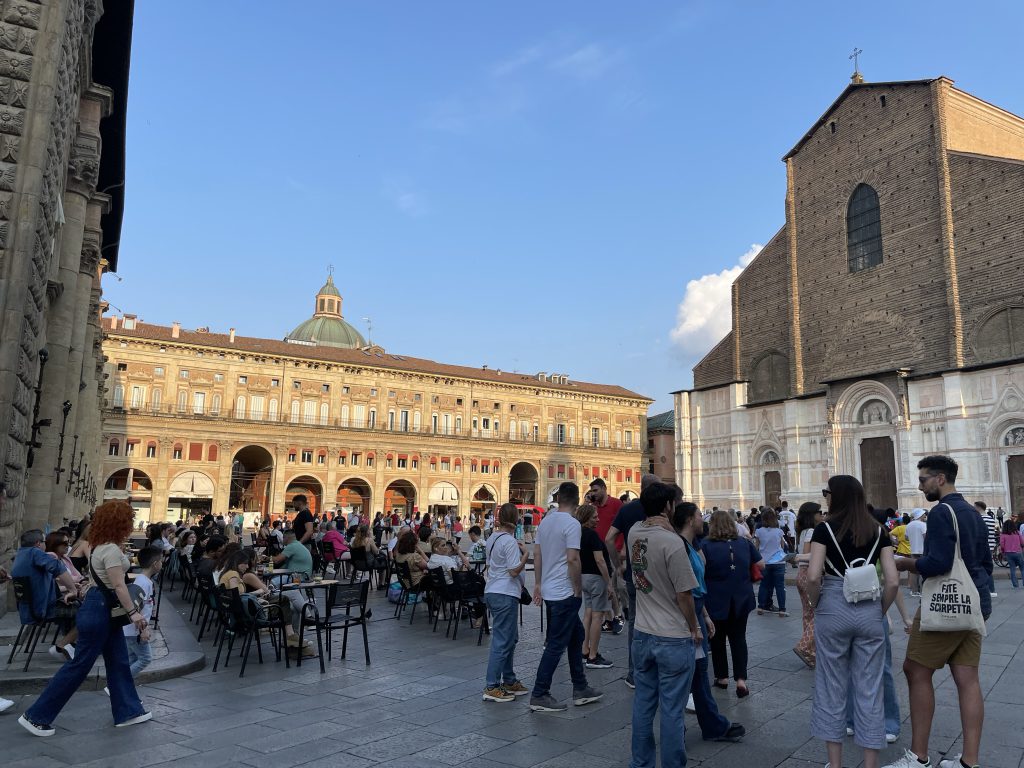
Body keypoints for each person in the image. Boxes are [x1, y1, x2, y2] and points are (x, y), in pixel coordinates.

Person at [884, 456, 993, 768]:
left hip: (946, 605)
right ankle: (969, 761)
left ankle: (918, 757)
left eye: (923, 480)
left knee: (915, 670)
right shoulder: (972, 513)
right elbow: (985, 562)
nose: (920, 487)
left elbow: (939, 564)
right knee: (967, 678)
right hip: (974, 604)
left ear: (941, 478)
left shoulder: (942, 513)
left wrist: (906, 562)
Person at [19, 501, 151, 736]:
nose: (131, 525)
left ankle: (128, 711)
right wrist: (134, 613)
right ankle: (36, 716)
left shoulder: (99, 546)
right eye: (128, 520)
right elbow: (119, 586)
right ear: (119, 523)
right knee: (79, 665)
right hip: (101, 609)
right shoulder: (109, 549)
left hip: (99, 608)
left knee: (118, 661)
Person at [805, 476, 898, 768]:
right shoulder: (879, 530)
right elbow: (893, 581)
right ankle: (870, 764)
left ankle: (836, 764)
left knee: (831, 686)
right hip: (869, 605)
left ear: (838, 496)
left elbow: (812, 575)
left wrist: (815, 602)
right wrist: (879, 611)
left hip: (833, 604)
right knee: (870, 689)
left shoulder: (824, 529)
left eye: (827, 493)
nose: (826, 498)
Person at [628, 482, 701, 768]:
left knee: (643, 706)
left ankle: (641, 763)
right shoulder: (672, 543)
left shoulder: (634, 532)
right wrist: (694, 627)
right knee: (672, 711)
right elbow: (685, 594)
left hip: (642, 634)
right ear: (669, 506)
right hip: (672, 636)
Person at [673, 501, 746, 743]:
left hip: (696, 612)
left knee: (699, 673)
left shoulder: (692, 545)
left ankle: (709, 725)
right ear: (688, 520)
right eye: (697, 516)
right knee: (689, 674)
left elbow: (696, 587)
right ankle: (680, 727)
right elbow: (685, 591)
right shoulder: (680, 548)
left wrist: (704, 615)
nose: (701, 520)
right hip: (687, 617)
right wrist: (695, 624)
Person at [529, 481, 602, 712]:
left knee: (576, 635)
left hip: (550, 590)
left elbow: (537, 555)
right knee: (555, 644)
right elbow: (573, 559)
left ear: (558, 498)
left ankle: (580, 687)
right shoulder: (572, 525)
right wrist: (577, 586)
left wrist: (538, 583)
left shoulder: (546, 521)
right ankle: (540, 693)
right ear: (577, 499)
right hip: (565, 591)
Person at [700, 510, 763, 696]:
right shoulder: (744, 543)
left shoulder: (705, 545)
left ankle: (722, 677)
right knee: (739, 638)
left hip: (716, 598)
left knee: (717, 638)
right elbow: (761, 565)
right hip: (741, 597)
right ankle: (741, 680)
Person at [606, 473, 659, 688]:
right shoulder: (658, 509)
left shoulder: (627, 509)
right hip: (657, 576)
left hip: (633, 575)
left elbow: (609, 538)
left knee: (635, 623)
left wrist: (617, 565)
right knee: (658, 622)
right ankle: (655, 670)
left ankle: (633, 673)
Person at [218, 549, 313, 656]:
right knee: (285, 601)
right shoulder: (233, 575)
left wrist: (257, 595)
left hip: (243, 613)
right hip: (251, 615)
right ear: (237, 562)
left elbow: (236, 596)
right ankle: (295, 633)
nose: (247, 566)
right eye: (245, 563)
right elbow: (237, 596)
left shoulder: (227, 574)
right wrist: (257, 593)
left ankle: (293, 637)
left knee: (287, 604)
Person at [482, 502, 531, 702]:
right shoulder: (510, 542)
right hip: (505, 593)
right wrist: (526, 556)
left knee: (511, 638)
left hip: (494, 590)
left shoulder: (492, 538)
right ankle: (492, 685)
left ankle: (509, 679)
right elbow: (513, 571)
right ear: (516, 519)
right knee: (503, 641)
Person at [12, 530, 80, 662]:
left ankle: (71, 645)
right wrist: (72, 589)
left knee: (75, 606)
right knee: (88, 613)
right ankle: (64, 646)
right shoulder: (34, 553)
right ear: (38, 544)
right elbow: (56, 567)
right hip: (42, 610)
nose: (46, 545)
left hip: (28, 610)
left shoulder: (20, 554)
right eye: (45, 542)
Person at [575, 503, 614, 669]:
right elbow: (600, 560)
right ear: (586, 518)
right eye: (594, 517)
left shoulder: (577, 534)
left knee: (588, 614)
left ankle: (584, 649)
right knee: (598, 617)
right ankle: (593, 656)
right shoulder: (592, 535)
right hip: (596, 579)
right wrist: (609, 582)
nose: (598, 519)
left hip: (583, 577)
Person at [587, 477, 624, 634]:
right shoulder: (593, 506)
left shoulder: (616, 504)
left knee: (610, 585)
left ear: (604, 488)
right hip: (595, 552)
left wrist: (618, 549)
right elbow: (581, 519)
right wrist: (587, 502)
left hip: (611, 551)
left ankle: (618, 616)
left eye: (595, 490)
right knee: (602, 585)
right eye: (592, 491)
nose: (593, 493)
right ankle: (609, 620)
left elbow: (622, 527)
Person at [792, 501, 825, 668]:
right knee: (818, 613)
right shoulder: (812, 531)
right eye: (819, 512)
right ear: (812, 514)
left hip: (800, 575)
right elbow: (808, 554)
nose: (822, 514)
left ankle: (811, 652)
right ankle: (804, 646)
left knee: (807, 613)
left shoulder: (803, 531)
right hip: (808, 573)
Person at [123, 546, 162, 679]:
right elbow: (136, 609)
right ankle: (119, 684)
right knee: (145, 658)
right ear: (155, 564)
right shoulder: (143, 583)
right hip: (135, 631)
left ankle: (120, 687)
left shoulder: (143, 580)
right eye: (161, 561)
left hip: (131, 630)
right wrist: (143, 630)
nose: (162, 563)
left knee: (132, 659)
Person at [754, 508, 788, 617]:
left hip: (765, 562)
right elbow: (782, 546)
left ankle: (761, 606)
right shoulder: (779, 531)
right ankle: (782, 609)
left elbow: (756, 546)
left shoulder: (759, 531)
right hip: (778, 562)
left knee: (764, 585)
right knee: (779, 586)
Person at [905, 509, 928, 596]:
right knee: (924, 570)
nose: (924, 515)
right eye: (923, 514)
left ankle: (914, 591)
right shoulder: (922, 525)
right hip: (922, 550)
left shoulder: (909, 525)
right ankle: (923, 591)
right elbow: (926, 537)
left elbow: (906, 538)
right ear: (920, 515)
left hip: (913, 550)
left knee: (914, 571)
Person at [999, 519, 1024, 588]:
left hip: (1008, 553)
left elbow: (1002, 545)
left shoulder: (1003, 535)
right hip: (1018, 552)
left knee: (1012, 569)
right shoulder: (1017, 533)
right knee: (1022, 568)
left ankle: (1015, 585)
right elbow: (1022, 542)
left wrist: (1003, 552)